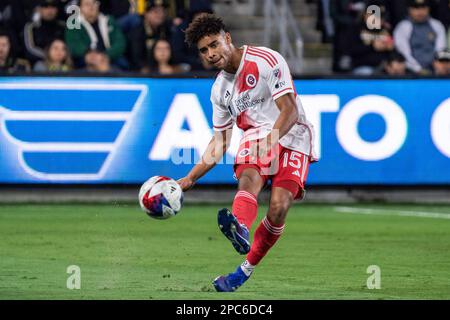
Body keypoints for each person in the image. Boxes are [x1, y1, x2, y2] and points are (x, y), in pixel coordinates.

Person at [178, 14, 317, 292]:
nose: (211, 53)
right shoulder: (219, 90)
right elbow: (220, 142)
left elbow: (289, 109)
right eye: (204, 50)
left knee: (278, 208)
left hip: (292, 132)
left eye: (214, 44)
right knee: (249, 174)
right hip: (255, 135)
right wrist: (190, 178)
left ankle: (244, 270)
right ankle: (240, 226)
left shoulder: (265, 59)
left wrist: (271, 140)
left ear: (227, 38)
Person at [65, 0, 126, 68]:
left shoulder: (109, 20)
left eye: (94, 3)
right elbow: (73, 45)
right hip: (85, 59)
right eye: (87, 4)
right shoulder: (74, 23)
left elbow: (120, 42)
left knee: (123, 63)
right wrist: (90, 54)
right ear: (80, 8)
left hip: (110, 57)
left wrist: (105, 55)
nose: (91, 6)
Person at [394, 0, 447, 74]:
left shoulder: (437, 25)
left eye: (423, 7)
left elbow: (440, 50)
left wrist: (438, 64)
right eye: (416, 8)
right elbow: (404, 53)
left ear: (428, 8)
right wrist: (418, 69)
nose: (420, 12)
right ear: (409, 9)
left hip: (435, 70)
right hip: (410, 72)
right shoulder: (403, 26)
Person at [24, 0, 66, 64]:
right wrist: (49, 56)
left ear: (57, 9)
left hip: (63, 63)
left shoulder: (63, 26)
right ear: (39, 9)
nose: (50, 10)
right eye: (45, 6)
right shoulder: (32, 27)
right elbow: (30, 49)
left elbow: (69, 47)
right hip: (40, 64)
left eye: (53, 6)